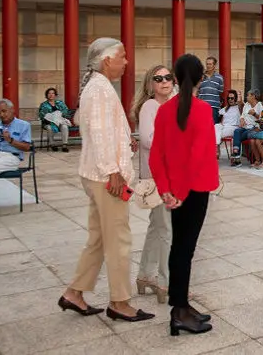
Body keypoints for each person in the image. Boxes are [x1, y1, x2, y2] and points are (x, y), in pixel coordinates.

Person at [59, 37, 154, 322]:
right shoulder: (99, 89)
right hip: (105, 178)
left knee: (99, 239)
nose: (127, 62)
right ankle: (120, 302)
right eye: (122, 57)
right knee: (119, 240)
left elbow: (106, 132)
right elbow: (100, 135)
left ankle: (74, 293)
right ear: (106, 60)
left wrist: (124, 146)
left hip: (96, 174)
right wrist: (113, 171)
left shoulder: (97, 87)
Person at [150, 54, 220, 336]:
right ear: (201, 78)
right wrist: (178, 192)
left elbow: (157, 156)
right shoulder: (203, 110)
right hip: (194, 189)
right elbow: (198, 155)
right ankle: (178, 311)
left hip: (176, 191)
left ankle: (181, 305)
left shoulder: (164, 110)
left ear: (176, 78)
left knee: (180, 248)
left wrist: (167, 190)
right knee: (184, 250)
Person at [129, 64, 175, 304]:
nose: (164, 82)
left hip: (171, 175)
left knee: (157, 227)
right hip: (158, 177)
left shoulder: (173, 105)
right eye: (158, 78)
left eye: (168, 77)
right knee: (166, 228)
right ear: (150, 84)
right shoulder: (150, 106)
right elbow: (148, 139)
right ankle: (164, 281)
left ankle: (145, 275)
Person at [229, 89, 263, 165]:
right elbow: (242, 115)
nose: (246, 97)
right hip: (245, 127)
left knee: (237, 136)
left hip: (253, 128)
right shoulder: (247, 105)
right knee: (236, 131)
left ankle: (236, 157)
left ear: (253, 96)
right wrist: (241, 119)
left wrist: (254, 114)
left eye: (248, 95)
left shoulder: (260, 106)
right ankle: (236, 154)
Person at [39, 87, 73, 152]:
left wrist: (61, 114)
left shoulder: (60, 103)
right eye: (49, 93)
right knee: (49, 127)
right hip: (48, 122)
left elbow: (66, 111)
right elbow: (41, 115)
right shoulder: (44, 105)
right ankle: (52, 144)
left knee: (64, 126)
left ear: (55, 95)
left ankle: (64, 145)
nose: (51, 95)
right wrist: (49, 117)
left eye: (53, 93)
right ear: (46, 95)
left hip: (59, 121)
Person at [197, 56, 224, 123]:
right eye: (207, 64)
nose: (208, 66)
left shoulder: (219, 78)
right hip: (202, 106)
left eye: (210, 64)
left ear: (214, 65)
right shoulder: (200, 76)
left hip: (214, 106)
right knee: (201, 125)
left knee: (213, 127)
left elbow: (220, 91)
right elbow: (196, 90)